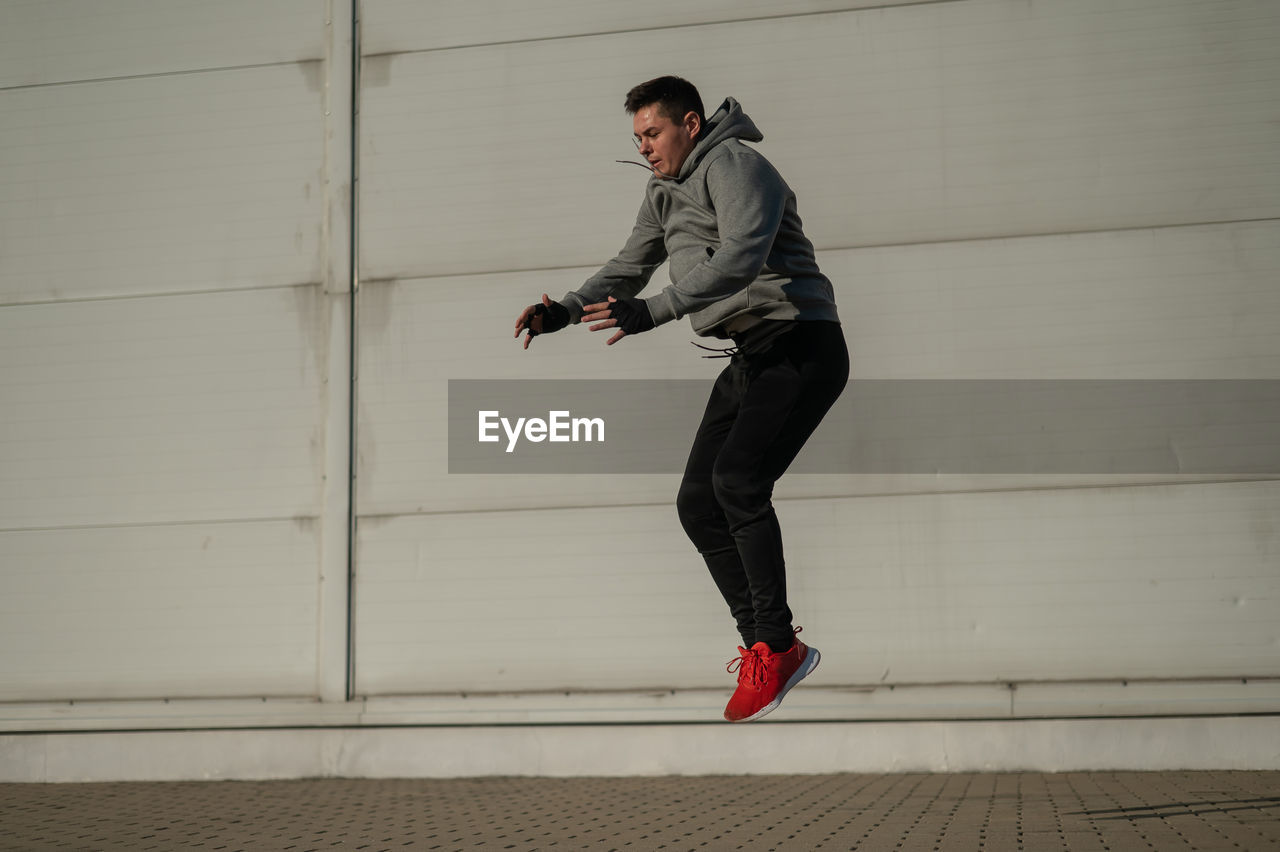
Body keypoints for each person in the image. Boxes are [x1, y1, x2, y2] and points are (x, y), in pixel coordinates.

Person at [514, 76, 848, 722]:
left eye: (653, 133)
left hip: (801, 345)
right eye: (637, 137)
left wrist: (657, 311)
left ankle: (776, 645)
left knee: (738, 481)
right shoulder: (662, 192)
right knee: (698, 502)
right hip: (752, 355)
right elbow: (629, 265)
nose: (644, 147)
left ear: (690, 124)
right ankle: (766, 644)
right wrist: (566, 309)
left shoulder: (735, 164)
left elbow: (743, 257)